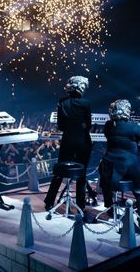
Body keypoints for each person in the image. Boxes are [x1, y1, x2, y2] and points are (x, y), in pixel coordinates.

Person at [99, 99, 140, 232]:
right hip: (129, 167)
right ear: (127, 111)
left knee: (105, 177)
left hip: (110, 167)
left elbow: (111, 136)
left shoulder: (108, 125)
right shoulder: (134, 126)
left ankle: (110, 208)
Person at [44, 75, 94, 214]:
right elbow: (88, 125)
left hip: (67, 140)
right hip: (83, 140)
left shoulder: (62, 102)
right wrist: (81, 126)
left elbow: (60, 125)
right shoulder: (86, 103)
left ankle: (49, 202)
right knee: (81, 174)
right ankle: (80, 206)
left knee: (60, 172)